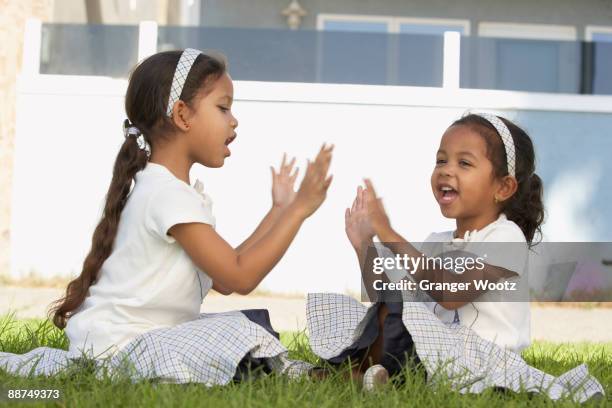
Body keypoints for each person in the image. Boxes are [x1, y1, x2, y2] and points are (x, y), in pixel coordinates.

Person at [0, 49, 333, 385]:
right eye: (223, 107)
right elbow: (239, 277)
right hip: (123, 350)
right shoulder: (167, 195)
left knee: (239, 326)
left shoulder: (168, 190)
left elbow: (224, 276)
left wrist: (277, 211)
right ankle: (314, 376)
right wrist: (299, 210)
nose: (234, 121)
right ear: (182, 115)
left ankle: (312, 375)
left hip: (139, 342)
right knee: (236, 332)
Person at [307, 113, 604, 402]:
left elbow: (451, 293)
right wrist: (364, 246)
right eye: (441, 160)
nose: (446, 171)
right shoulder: (437, 243)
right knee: (382, 310)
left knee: (401, 317)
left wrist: (390, 234)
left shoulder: (505, 237)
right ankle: (371, 373)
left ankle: (368, 375)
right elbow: (385, 296)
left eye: (464, 163)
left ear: (503, 187)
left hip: (483, 360)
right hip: (436, 353)